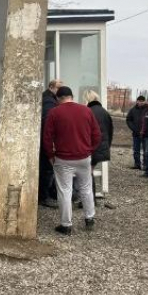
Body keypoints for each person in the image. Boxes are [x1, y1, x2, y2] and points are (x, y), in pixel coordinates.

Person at [43, 86, 101, 235]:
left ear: (58, 98)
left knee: (64, 191)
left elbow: (47, 138)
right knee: (86, 188)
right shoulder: (86, 111)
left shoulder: (54, 112)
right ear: (72, 96)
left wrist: (50, 155)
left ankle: (66, 225)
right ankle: (89, 218)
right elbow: (97, 135)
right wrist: (89, 151)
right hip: (84, 158)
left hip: (63, 159)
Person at [85, 90, 113, 198]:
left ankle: (89, 200)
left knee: (87, 174)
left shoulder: (88, 111)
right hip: (101, 148)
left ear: (88, 99)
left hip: (91, 148)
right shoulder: (104, 112)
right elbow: (110, 131)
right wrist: (107, 147)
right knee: (88, 172)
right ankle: (89, 199)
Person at [39, 79, 62, 208]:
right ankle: (44, 196)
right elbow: (47, 123)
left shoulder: (48, 98)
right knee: (47, 170)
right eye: (58, 87)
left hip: (43, 139)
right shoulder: (49, 101)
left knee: (46, 169)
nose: (60, 90)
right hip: (45, 140)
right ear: (51, 87)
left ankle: (47, 194)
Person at [126, 95, 146, 169]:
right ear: (137, 101)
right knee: (136, 150)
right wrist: (133, 128)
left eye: (142, 101)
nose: (140, 102)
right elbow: (128, 119)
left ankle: (145, 165)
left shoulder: (147, 109)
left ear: (144, 101)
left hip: (146, 134)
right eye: (139, 101)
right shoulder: (133, 110)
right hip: (136, 133)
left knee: (146, 150)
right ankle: (137, 164)